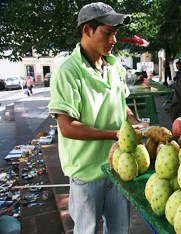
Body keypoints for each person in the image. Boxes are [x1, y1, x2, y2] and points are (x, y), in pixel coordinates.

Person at [47, 2, 149, 233]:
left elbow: (122, 107)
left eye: (115, 33)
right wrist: (117, 134)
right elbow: (67, 127)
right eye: (107, 32)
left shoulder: (115, 68)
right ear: (87, 31)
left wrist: (137, 124)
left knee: (120, 229)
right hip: (86, 174)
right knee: (87, 230)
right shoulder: (68, 71)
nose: (113, 40)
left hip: (118, 168)